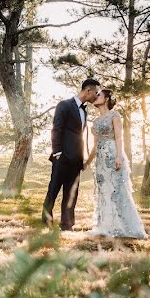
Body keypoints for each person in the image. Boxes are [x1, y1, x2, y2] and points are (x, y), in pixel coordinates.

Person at [85, 88, 148, 239]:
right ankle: (106, 226)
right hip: (100, 160)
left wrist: (119, 157)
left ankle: (123, 226)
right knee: (104, 190)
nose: (96, 96)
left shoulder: (115, 114)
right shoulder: (96, 121)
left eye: (99, 94)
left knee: (117, 189)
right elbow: (95, 145)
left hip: (113, 155)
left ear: (106, 99)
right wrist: (87, 162)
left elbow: (119, 137)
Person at [42, 78, 100, 231]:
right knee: (53, 190)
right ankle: (46, 222)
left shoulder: (84, 111)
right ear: (88, 91)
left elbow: (78, 135)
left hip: (76, 160)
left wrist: (82, 158)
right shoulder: (65, 105)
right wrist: (58, 152)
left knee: (71, 193)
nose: (96, 95)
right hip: (61, 157)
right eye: (96, 92)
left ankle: (67, 225)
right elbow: (57, 129)